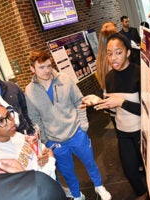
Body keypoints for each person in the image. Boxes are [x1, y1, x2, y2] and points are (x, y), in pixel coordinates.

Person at [25, 50, 111, 200]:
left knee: (90, 161)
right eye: (41, 67)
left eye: (49, 66)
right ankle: (77, 195)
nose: (47, 71)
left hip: (76, 132)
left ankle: (99, 186)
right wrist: (45, 140)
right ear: (32, 69)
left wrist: (83, 126)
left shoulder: (64, 79)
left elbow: (79, 101)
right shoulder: (29, 91)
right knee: (67, 172)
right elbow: (34, 117)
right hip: (54, 140)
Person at [82, 33, 148, 200]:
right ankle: (142, 194)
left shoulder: (140, 73)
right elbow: (111, 104)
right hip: (123, 132)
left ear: (127, 52)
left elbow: (148, 110)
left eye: (118, 52)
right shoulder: (109, 77)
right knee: (130, 171)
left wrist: (122, 102)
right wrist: (98, 101)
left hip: (142, 131)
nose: (113, 58)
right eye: (109, 53)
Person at [0, 95, 56, 181]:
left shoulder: (14, 135)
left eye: (8, 115)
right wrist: (50, 161)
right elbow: (28, 186)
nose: (10, 122)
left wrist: (42, 155)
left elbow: (34, 158)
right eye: (1, 121)